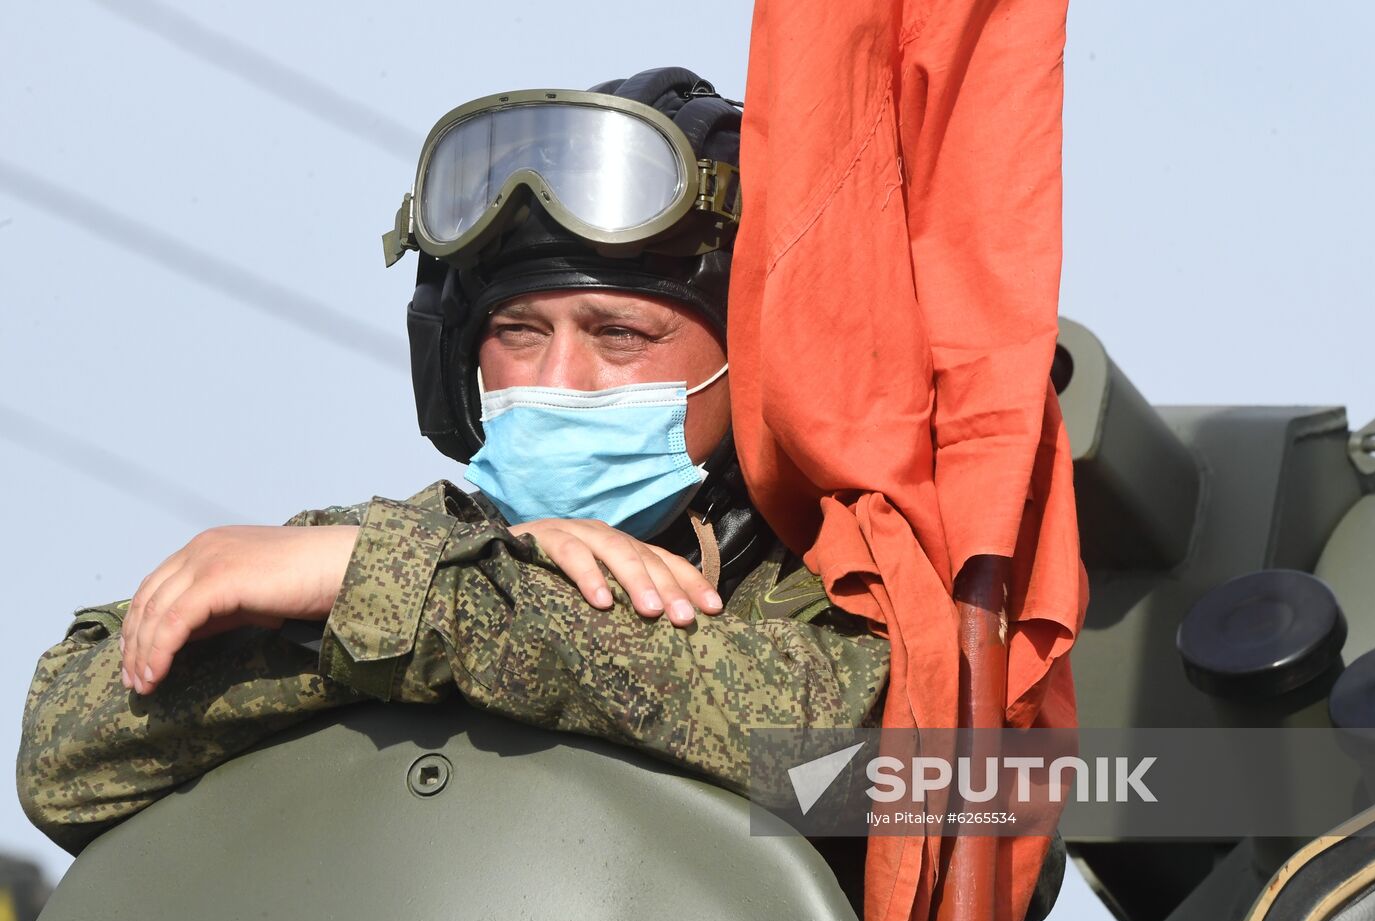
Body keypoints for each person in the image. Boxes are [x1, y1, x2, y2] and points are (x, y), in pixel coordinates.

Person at [17, 67, 892, 857]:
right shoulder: (386, 547)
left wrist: (436, 600)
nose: (557, 380)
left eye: (620, 334)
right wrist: (433, 572)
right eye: (518, 332)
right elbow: (63, 757)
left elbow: (978, 802)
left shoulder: (874, 581)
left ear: (763, 363)